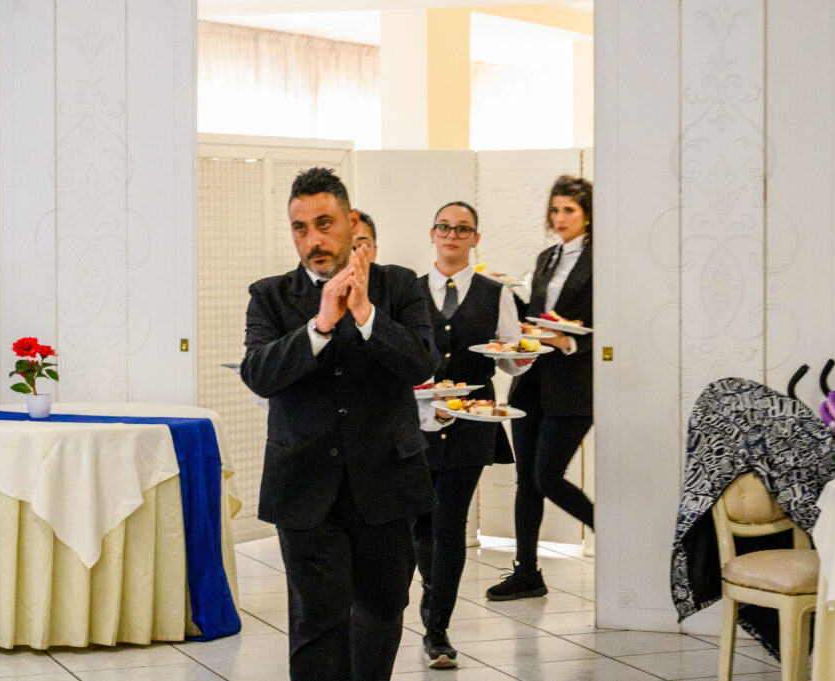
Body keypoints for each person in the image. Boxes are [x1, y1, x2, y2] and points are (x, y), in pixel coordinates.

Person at [241, 167, 437, 681]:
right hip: (304, 486)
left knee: (381, 609)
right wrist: (320, 324)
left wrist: (367, 314)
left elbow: (422, 363)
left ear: (352, 222)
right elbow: (258, 374)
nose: (313, 240)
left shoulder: (399, 285)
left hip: (386, 483)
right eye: (300, 228)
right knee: (317, 620)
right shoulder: (270, 296)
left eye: (324, 224)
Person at [413, 201, 532, 668]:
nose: (452, 235)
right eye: (444, 227)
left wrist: (521, 356)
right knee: (421, 525)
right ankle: (432, 596)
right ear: (432, 233)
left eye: (463, 229)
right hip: (418, 422)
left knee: (449, 523)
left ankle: (437, 628)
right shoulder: (410, 291)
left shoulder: (494, 293)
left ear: (475, 239)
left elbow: (510, 357)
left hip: (472, 423)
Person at [486, 175, 595, 601]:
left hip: (574, 384)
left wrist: (567, 340)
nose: (560, 217)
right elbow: (535, 315)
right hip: (532, 380)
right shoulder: (547, 257)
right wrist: (504, 296)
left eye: (569, 209)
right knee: (527, 482)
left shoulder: (603, 259)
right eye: (555, 209)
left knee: (547, 477)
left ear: (587, 214)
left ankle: (612, 533)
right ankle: (527, 572)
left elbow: (607, 322)